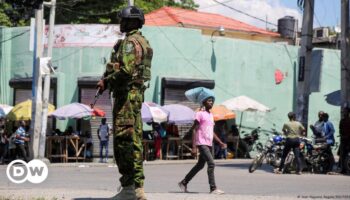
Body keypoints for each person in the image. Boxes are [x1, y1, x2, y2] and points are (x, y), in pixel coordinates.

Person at [96, 5, 153, 200]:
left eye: (123, 20)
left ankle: (129, 188)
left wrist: (107, 81)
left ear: (132, 21)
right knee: (134, 141)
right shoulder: (143, 42)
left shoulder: (130, 43)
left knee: (124, 142)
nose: (120, 23)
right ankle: (137, 189)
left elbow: (126, 71)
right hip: (135, 96)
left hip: (126, 97)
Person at [178, 95, 226, 195]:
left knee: (200, 165)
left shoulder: (211, 115)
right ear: (203, 102)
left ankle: (184, 182)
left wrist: (220, 142)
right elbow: (194, 129)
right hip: (201, 143)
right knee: (211, 163)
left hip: (208, 143)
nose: (211, 102)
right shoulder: (199, 114)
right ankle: (213, 188)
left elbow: (211, 132)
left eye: (212, 101)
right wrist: (194, 146)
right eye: (209, 101)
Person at [339, 107, 350, 174]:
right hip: (343, 140)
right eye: (343, 111)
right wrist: (342, 135)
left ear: (348, 112)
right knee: (342, 155)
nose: (343, 113)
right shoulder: (342, 121)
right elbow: (340, 129)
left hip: (349, 139)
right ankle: (343, 169)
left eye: (345, 111)